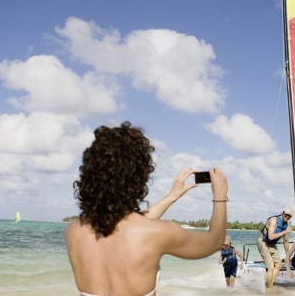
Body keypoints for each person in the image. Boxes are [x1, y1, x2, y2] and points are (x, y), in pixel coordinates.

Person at [64, 121, 228, 296]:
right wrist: (220, 196)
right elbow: (215, 242)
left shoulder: (73, 230)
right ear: (138, 176)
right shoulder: (158, 233)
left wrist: (172, 196)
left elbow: (126, 224)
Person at [257, 207, 293, 288]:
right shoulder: (274, 220)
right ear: (283, 213)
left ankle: (269, 285)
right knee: (271, 267)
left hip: (272, 245)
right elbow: (270, 236)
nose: (287, 217)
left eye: (289, 216)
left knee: (279, 265)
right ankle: (269, 289)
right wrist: (285, 231)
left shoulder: (286, 225)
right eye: (286, 214)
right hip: (263, 242)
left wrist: (288, 255)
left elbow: (286, 241)